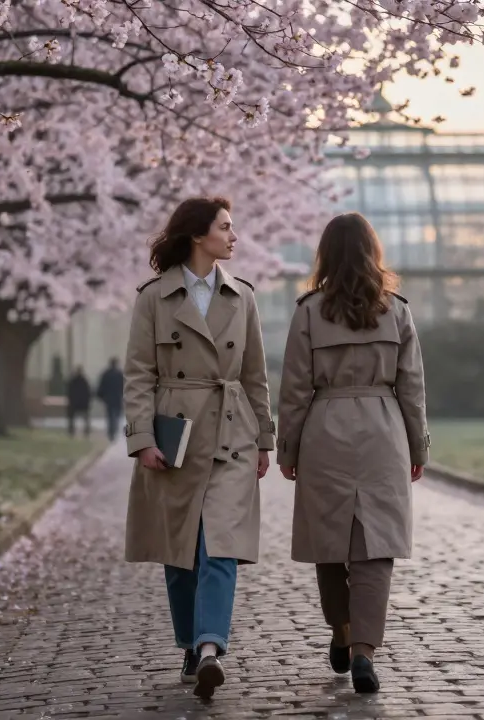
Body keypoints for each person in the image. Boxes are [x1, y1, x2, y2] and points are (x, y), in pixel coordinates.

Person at [121, 196, 275, 699]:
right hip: (177, 434)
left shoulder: (242, 296)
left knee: (220, 546)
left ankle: (211, 647)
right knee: (179, 551)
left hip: (232, 434)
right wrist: (142, 438)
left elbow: (256, 375)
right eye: (226, 228)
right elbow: (139, 373)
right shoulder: (153, 298)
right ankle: (190, 642)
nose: (234, 237)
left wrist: (265, 440)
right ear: (197, 236)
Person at [275, 212, 429, 694]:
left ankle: (341, 631)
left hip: (326, 431)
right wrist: (417, 445)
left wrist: (288, 447)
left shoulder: (308, 311)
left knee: (330, 544)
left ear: (325, 254)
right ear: (372, 252)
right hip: (384, 433)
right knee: (375, 550)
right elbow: (413, 387)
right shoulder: (397, 310)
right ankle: (364, 650)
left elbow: (295, 388)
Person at [96, 357, 124, 442]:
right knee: (116, 415)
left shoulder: (106, 374)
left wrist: (101, 396)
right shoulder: (119, 374)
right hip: (117, 398)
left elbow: (101, 386)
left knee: (110, 416)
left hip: (108, 398)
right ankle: (114, 430)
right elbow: (123, 386)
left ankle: (111, 431)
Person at [66, 367, 92, 438]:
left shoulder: (72, 381)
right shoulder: (84, 381)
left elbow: (69, 392)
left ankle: (71, 430)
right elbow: (88, 392)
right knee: (86, 417)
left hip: (74, 403)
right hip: (83, 403)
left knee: (72, 417)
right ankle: (86, 430)